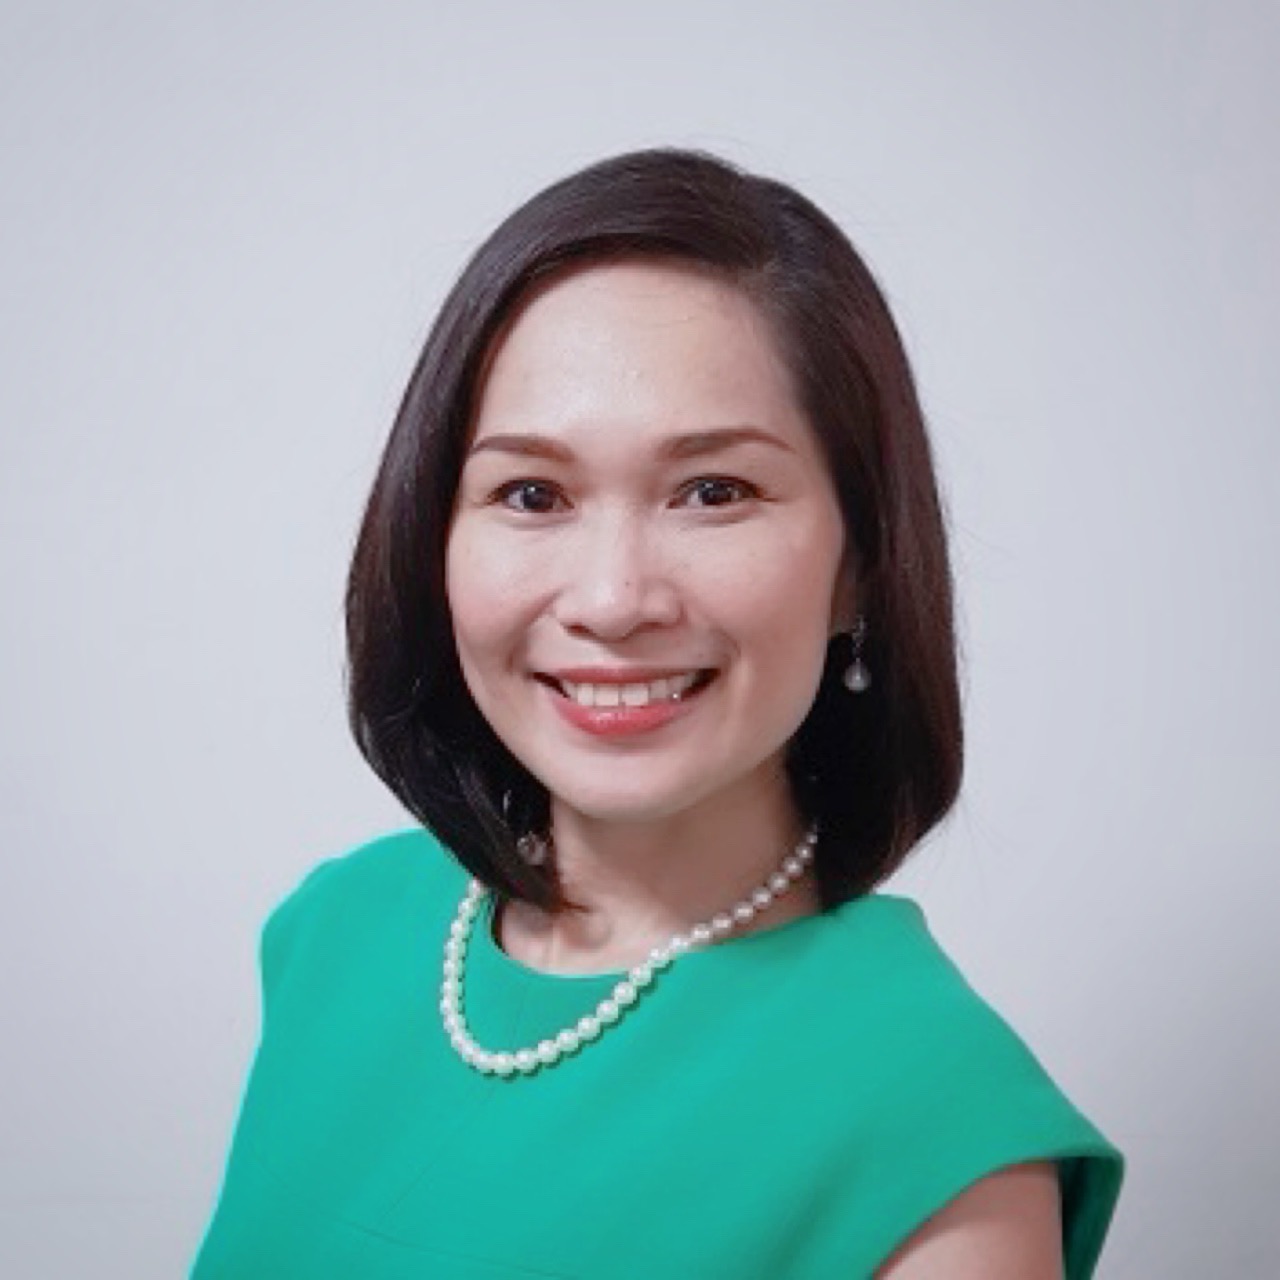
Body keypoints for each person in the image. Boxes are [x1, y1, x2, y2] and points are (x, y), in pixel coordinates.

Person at [191, 147, 1124, 1278]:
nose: (612, 598)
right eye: (531, 493)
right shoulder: (337, 933)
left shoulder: (941, 1141)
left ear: (860, 563)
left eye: (713, 492)